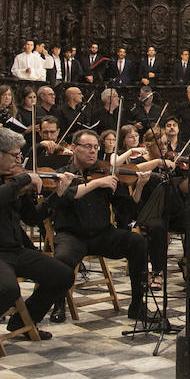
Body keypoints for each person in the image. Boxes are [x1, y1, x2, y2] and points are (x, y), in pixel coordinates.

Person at [0, 127, 76, 361]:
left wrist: (57, 196)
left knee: (63, 275)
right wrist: (23, 179)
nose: (20, 160)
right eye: (16, 155)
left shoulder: (11, 181)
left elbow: (31, 217)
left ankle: (23, 320)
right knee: (7, 290)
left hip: (14, 249)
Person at [49, 130, 152, 321]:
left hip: (101, 233)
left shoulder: (104, 172)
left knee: (138, 242)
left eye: (95, 147)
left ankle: (138, 305)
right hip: (72, 235)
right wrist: (97, 184)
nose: (92, 151)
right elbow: (61, 200)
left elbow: (127, 209)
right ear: (73, 148)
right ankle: (59, 305)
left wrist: (139, 187)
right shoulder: (62, 175)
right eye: (87, 147)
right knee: (62, 258)